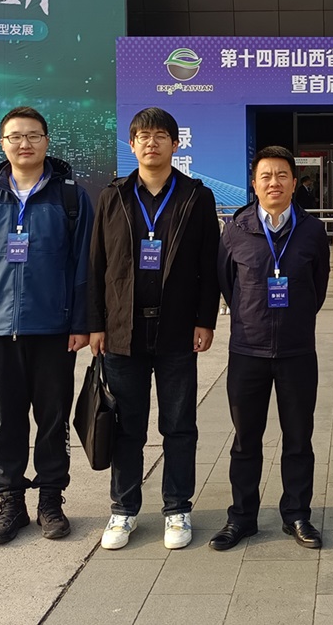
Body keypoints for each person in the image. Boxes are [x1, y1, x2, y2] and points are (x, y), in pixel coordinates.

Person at [0, 106, 94, 545]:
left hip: (55, 330)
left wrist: (82, 322)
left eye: (33, 135)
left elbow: (84, 265)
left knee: (53, 420)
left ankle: (51, 501)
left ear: (47, 142)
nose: (25, 143)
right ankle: (11, 501)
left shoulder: (71, 198)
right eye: (15, 136)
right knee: (7, 421)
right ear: (3, 144)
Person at [88, 107, 220, 551]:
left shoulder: (195, 196)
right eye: (143, 136)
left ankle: (177, 508)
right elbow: (97, 264)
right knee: (128, 427)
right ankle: (123, 510)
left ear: (174, 144)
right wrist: (95, 324)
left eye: (160, 135)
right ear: (132, 145)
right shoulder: (113, 196)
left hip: (177, 331)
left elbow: (208, 265)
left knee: (179, 425)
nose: (151, 143)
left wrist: (205, 319)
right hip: (122, 331)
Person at [210, 146, 331, 551]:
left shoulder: (312, 230)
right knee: (246, 440)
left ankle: (297, 514)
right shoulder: (236, 229)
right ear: (254, 184)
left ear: (295, 183)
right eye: (266, 176)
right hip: (248, 350)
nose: (274, 183)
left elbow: (318, 285)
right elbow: (227, 282)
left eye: (282, 175)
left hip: (298, 351)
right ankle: (242, 517)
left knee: (298, 439)